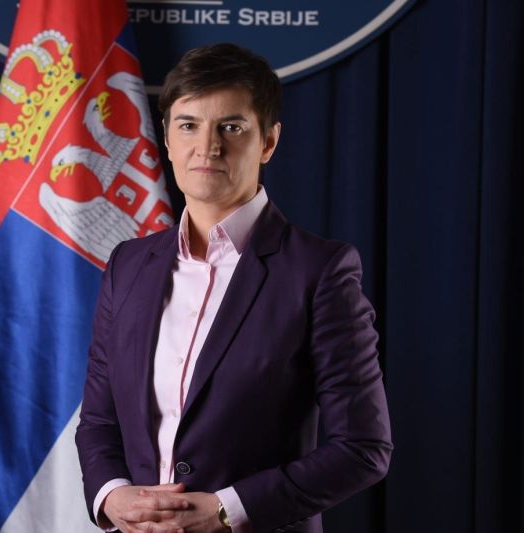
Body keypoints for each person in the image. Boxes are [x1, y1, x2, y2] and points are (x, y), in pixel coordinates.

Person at [75, 43, 392, 533]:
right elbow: (99, 421)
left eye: (232, 127)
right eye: (189, 125)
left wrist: (228, 510)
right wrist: (112, 495)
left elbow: (363, 448)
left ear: (268, 141)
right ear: (166, 137)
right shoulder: (128, 265)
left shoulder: (319, 271)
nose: (208, 147)